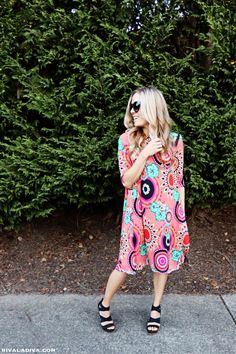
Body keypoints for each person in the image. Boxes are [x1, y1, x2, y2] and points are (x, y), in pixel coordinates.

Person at [98, 86, 190, 334]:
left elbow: (179, 181)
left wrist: (181, 218)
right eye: (131, 105)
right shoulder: (126, 140)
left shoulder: (175, 141)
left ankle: (156, 308)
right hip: (136, 214)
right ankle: (104, 304)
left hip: (164, 214)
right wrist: (145, 153)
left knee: (161, 263)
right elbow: (127, 181)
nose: (132, 111)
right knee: (125, 263)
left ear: (152, 106)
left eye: (137, 106)